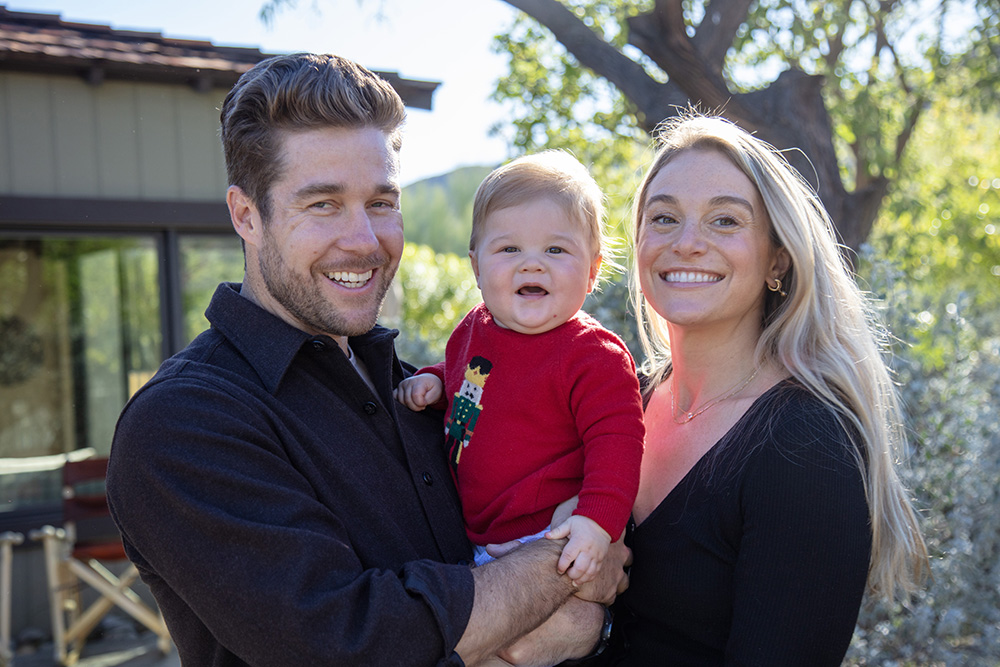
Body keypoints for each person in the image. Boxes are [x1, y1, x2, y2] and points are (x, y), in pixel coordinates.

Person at [105, 52, 626, 667]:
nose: (364, 240)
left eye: (381, 202)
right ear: (247, 215)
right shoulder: (186, 421)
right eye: (322, 204)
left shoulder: (415, 390)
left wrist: (586, 623)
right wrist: (563, 566)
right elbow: (347, 644)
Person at [589, 112, 928, 665]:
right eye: (664, 217)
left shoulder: (806, 445)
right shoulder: (620, 402)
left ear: (777, 257)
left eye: (725, 221)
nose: (688, 243)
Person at [394, 151, 645, 584]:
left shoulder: (593, 356)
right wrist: (436, 382)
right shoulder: (476, 328)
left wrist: (595, 522)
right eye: (509, 248)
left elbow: (618, 445)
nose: (533, 263)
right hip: (471, 532)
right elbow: (471, 379)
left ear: (591, 271)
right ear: (476, 267)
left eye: (555, 249)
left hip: (550, 537)